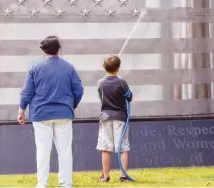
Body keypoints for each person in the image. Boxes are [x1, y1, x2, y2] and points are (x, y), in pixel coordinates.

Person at [17, 36, 84, 188]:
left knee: (42, 151)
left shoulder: (35, 67)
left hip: (40, 114)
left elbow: (27, 92)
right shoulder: (68, 67)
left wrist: (21, 110)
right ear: (58, 48)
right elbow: (79, 90)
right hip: (64, 114)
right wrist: (72, 105)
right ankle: (66, 183)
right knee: (65, 151)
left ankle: (42, 184)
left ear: (43, 50)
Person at [96, 55, 133, 182]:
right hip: (120, 118)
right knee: (122, 148)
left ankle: (105, 176)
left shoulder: (100, 82)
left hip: (105, 117)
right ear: (118, 68)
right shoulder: (122, 82)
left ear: (103, 67)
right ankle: (123, 176)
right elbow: (129, 97)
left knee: (106, 149)